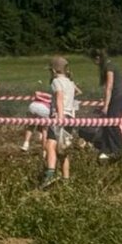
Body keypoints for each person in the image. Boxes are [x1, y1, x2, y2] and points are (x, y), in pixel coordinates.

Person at [41, 56, 78, 189]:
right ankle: (66, 180)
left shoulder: (56, 82)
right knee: (63, 150)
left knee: (50, 145)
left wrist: (60, 117)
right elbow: (75, 94)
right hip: (70, 117)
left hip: (59, 117)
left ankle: (50, 173)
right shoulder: (70, 82)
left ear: (54, 70)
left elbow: (59, 97)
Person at [91, 49, 122, 162]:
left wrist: (106, 106)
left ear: (99, 58)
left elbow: (109, 86)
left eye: (95, 59)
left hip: (120, 97)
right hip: (118, 97)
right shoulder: (109, 66)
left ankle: (121, 150)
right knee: (106, 123)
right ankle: (106, 150)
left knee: (112, 123)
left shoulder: (109, 67)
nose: (94, 62)